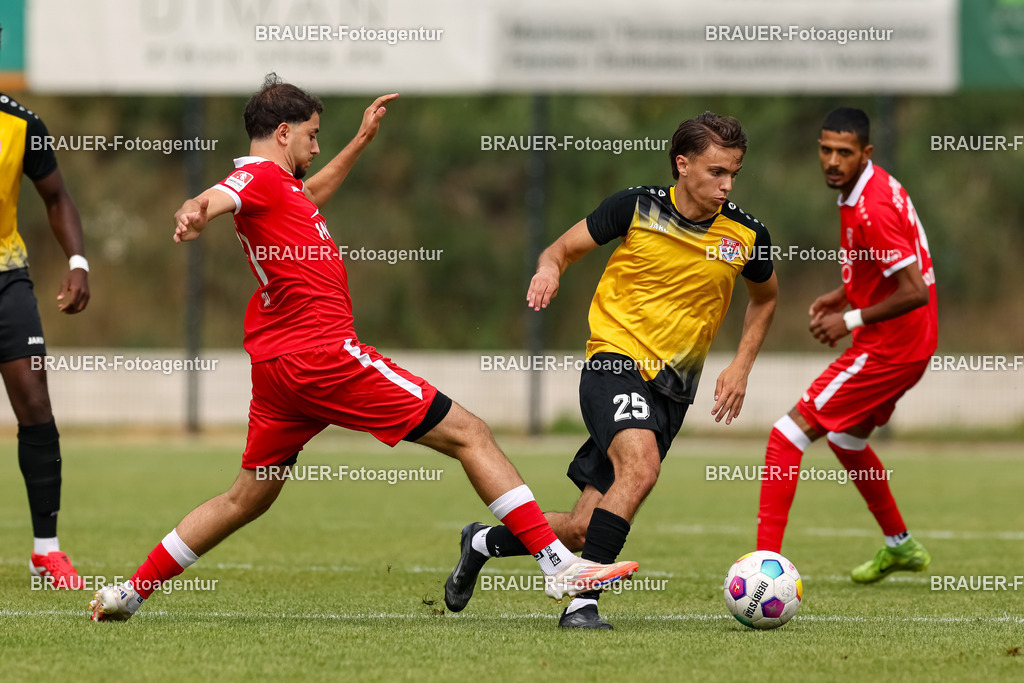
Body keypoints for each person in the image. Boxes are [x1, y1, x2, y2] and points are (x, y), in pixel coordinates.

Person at [89, 75, 637, 622]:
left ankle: (129, 593)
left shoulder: (282, 189)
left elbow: (310, 190)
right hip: (322, 356)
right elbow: (218, 196)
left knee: (246, 498)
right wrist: (194, 210)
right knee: (470, 433)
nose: (317, 145)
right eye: (313, 135)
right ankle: (556, 563)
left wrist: (360, 141)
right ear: (283, 132)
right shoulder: (254, 178)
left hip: (279, 369)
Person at [444, 112, 779, 629]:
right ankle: (582, 605)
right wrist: (547, 271)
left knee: (581, 528)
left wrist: (741, 364)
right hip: (614, 363)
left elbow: (765, 299)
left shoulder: (747, 233)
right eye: (716, 172)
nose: (727, 184)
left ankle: (482, 542)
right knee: (641, 467)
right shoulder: (636, 207)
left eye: (733, 172)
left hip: (673, 391)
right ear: (682, 164)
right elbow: (559, 250)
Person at [755, 107, 937, 583]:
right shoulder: (866, 187)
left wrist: (849, 318)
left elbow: (914, 290)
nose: (832, 161)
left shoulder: (872, 207)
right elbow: (891, 265)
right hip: (907, 342)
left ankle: (762, 570)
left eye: (844, 152)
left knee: (786, 434)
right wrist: (847, 291)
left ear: (865, 153)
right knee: (845, 439)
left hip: (891, 348)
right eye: (825, 150)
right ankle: (900, 546)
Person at [0, 76, 90, 588]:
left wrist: (77, 262)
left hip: (6, 277)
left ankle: (45, 551)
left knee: (35, 401)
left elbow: (56, 197)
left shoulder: (22, 123)